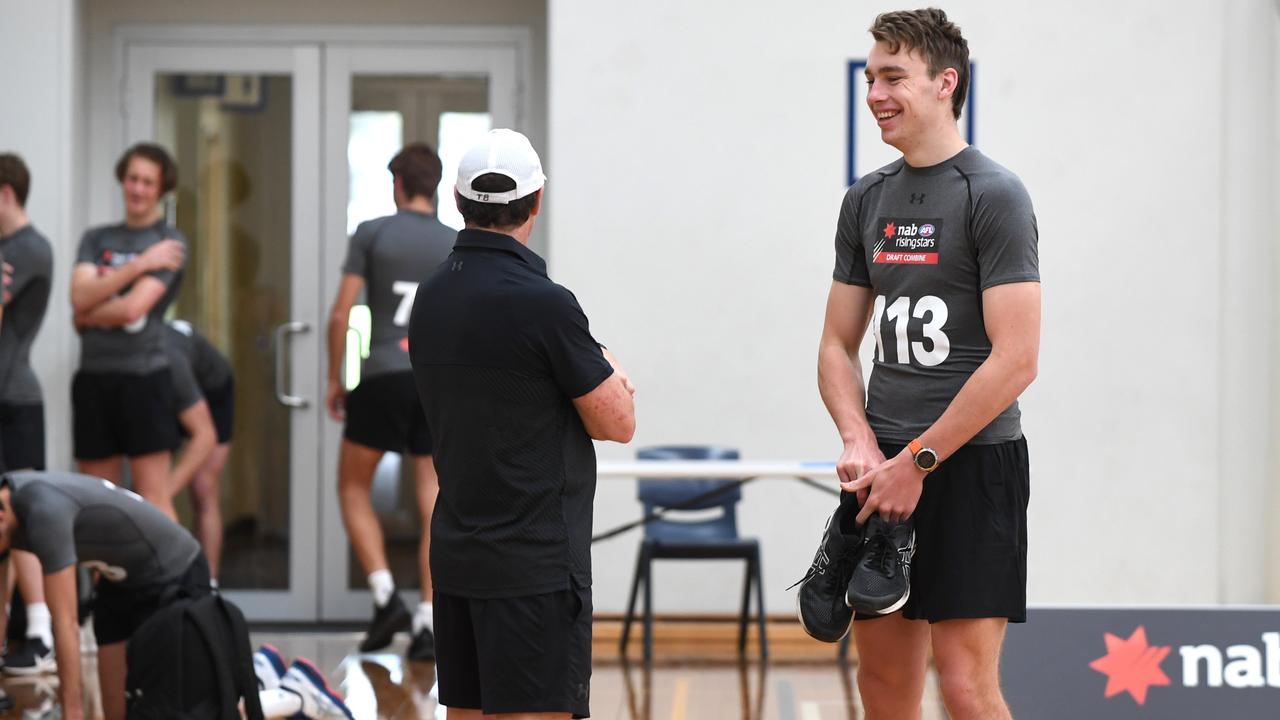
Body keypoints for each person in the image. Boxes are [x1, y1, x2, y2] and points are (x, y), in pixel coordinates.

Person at [813, 9, 1040, 720]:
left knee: (967, 689)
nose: (876, 92)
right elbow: (835, 347)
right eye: (872, 77)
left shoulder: (994, 194)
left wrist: (920, 459)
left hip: (968, 466)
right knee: (882, 687)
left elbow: (1018, 359)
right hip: (883, 467)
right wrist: (858, 438)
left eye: (893, 77)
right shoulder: (867, 199)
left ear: (946, 83)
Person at [408, 128, 636, 720]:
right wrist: (602, 359)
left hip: (458, 557)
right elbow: (618, 421)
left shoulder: (429, 298)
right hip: (532, 570)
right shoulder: (546, 304)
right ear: (537, 201)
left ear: (457, 204)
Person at [0, 470, 354, 720]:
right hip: (118, 584)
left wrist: (73, 713)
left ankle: (290, 696)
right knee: (119, 714)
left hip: (175, 574)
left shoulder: (41, 511)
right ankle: (260, 673)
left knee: (182, 712)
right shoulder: (8, 501)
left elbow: (66, 623)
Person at [325, 143, 455, 659]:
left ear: (398, 183)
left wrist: (336, 378)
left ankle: (384, 596)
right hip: (432, 381)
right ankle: (427, 620)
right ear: (437, 186)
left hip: (380, 376)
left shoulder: (372, 233)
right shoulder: (453, 241)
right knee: (434, 500)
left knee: (353, 487)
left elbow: (340, 314)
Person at [70, 143, 187, 512]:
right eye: (133, 179)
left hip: (145, 379)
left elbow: (133, 309)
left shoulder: (170, 244)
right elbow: (77, 296)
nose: (138, 189)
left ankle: (168, 573)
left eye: (148, 182)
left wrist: (92, 312)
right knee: (97, 500)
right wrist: (139, 266)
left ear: (161, 189)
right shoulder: (96, 238)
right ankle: (107, 573)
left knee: (153, 498)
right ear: (123, 180)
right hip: (94, 378)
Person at [0, 153, 55, 676]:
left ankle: (40, 631)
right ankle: (21, 629)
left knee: (20, 516)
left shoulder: (30, 248)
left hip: (15, 402)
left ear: (6, 193)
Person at [166, 319, 235, 578]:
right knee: (152, 486)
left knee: (203, 486)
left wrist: (166, 490)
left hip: (214, 392)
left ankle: (209, 585)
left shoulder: (172, 362)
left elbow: (204, 436)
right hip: (169, 396)